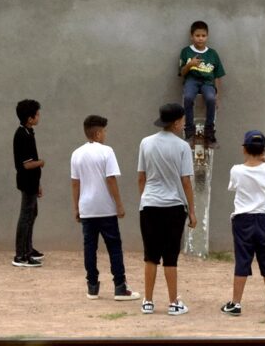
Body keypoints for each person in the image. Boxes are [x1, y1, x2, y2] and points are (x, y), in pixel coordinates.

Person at [71, 115, 140, 301]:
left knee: (89, 247)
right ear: (98, 132)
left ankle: (92, 286)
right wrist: (119, 204)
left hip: (87, 208)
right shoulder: (107, 151)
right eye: (105, 131)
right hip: (106, 208)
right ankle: (119, 286)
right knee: (114, 247)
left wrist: (76, 207)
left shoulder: (76, 154)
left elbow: (75, 183)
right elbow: (111, 179)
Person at [137, 103, 197, 316]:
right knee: (170, 256)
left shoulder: (146, 143)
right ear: (176, 122)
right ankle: (173, 303)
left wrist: (145, 198)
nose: (184, 123)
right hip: (173, 206)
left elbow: (141, 177)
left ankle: (148, 301)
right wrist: (191, 210)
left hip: (149, 205)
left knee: (150, 255)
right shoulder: (182, 147)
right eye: (182, 120)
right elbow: (186, 182)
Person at [220, 130, 265, 316]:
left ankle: (236, 303)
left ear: (244, 149)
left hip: (243, 219)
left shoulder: (236, 170)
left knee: (243, 258)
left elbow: (233, 186)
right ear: (264, 150)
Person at [178, 20, 226, 144]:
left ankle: (209, 131)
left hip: (207, 82)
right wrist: (190, 64)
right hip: (191, 80)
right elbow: (182, 73)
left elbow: (217, 76)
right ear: (191, 36)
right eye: (197, 35)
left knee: (210, 99)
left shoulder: (212, 54)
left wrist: (218, 96)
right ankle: (189, 130)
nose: (200, 39)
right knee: (188, 98)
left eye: (203, 36)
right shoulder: (186, 51)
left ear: (207, 36)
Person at [12, 99, 45, 268]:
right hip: (26, 182)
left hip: (32, 182)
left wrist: (38, 183)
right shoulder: (22, 135)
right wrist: (41, 162)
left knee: (32, 214)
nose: (39, 117)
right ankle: (20, 255)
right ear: (30, 118)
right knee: (25, 217)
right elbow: (26, 164)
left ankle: (28, 249)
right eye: (37, 114)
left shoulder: (29, 132)